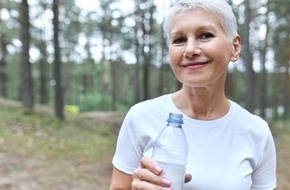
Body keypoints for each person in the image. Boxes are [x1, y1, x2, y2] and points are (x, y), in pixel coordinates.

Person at [109, 0, 277, 189]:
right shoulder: (140, 117)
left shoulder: (257, 132)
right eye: (179, 40)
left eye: (205, 35)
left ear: (235, 47)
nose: (190, 50)